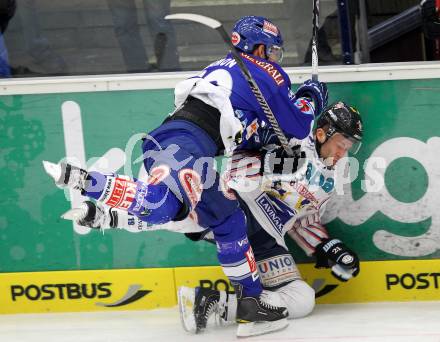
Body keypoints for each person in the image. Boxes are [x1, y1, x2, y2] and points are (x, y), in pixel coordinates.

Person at [43, 15, 328, 337]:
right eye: (272, 51)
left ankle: (251, 307)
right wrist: (312, 96)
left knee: (226, 217)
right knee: (164, 204)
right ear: (259, 47)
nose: (275, 59)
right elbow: (298, 125)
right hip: (183, 145)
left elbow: (246, 135)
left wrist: (274, 147)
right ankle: (84, 180)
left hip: (187, 145)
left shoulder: (227, 71)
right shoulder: (264, 71)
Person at [177, 101, 363, 333]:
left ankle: (211, 301)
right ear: (321, 133)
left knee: (302, 299)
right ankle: (127, 206)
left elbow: (301, 222)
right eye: (339, 145)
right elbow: (235, 157)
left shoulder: (329, 182)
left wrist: (329, 247)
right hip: (240, 206)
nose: (341, 153)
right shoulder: (290, 136)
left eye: (347, 148)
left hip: (269, 238)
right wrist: (268, 163)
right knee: (177, 211)